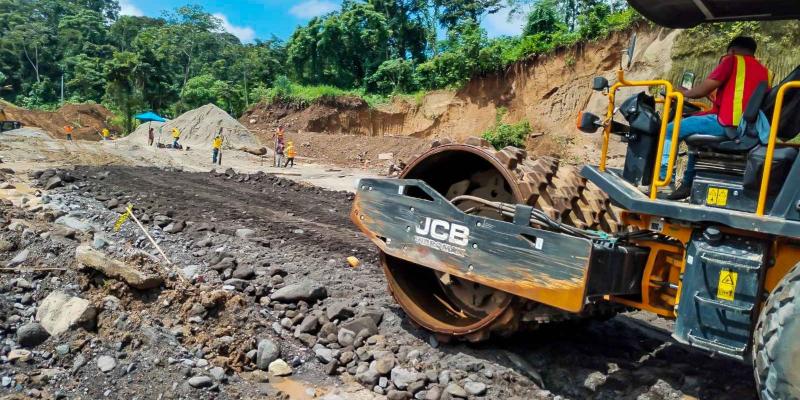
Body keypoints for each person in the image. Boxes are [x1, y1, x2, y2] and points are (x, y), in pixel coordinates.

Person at [660, 36, 770, 200]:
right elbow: (741, 99)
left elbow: (701, 91)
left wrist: (685, 93)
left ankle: (663, 178)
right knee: (694, 139)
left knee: (670, 129)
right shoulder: (763, 71)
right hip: (747, 126)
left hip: (728, 123)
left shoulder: (731, 61)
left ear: (731, 50)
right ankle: (687, 184)